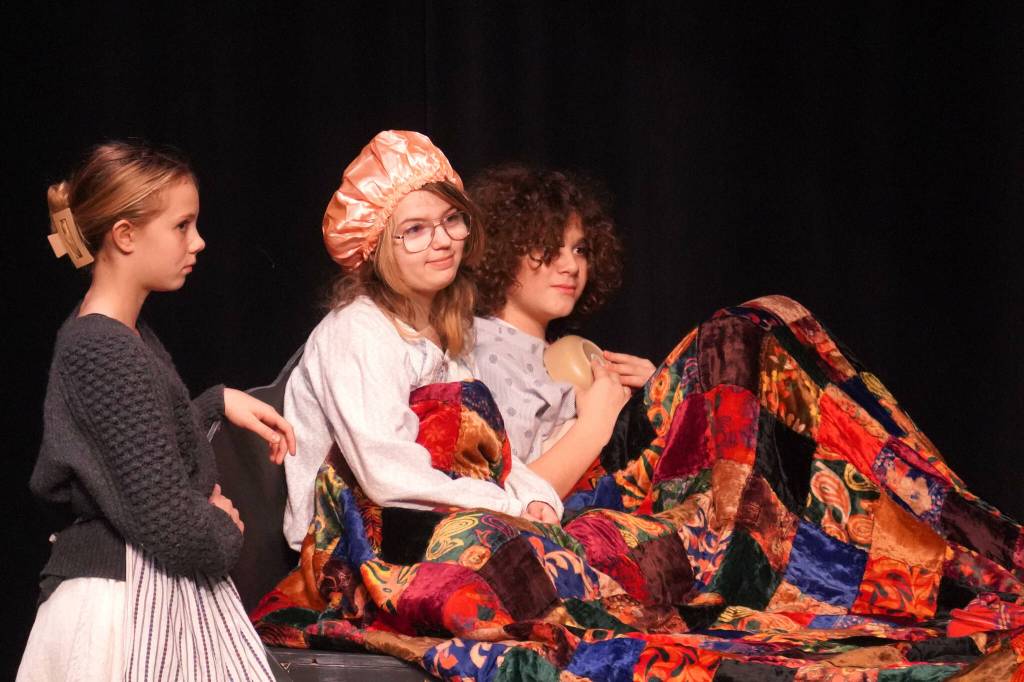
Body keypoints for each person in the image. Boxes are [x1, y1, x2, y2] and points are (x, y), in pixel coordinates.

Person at [19, 141, 295, 681]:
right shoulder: (103, 347)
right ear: (124, 235)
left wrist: (215, 403)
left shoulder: (120, 337)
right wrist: (223, 528)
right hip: (118, 610)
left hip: (131, 595)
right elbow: (169, 522)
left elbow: (129, 450)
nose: (198, 241)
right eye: (181, 225)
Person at [282, 131, 563, 552]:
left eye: (452, 219)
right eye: (415, 229)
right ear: (376, 248)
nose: (443, 240)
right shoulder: (358, 331)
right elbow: (387, 473)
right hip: (356, 548)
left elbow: (488, 450)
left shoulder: (441, 325)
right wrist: (504, 507)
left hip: (436, 525)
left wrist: (533, 496)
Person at [470, 165, 656, 498]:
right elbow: (504, 502)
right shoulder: (485, 352)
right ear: (501, 250)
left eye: (579, 250)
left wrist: (660, 397)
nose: (571, 266)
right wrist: (596, 424)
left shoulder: (563, 352)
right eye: (546, 246)